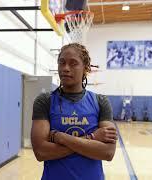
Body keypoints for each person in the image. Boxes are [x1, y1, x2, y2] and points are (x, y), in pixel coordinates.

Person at [31, 43, 117, 180]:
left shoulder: (100, 102)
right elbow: (41, 152)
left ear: (86, 69)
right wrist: (91, 138)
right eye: (62, 63)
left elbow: (108, 152)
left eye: (73, 63)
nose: (65, 68)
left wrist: (62, 138)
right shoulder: (45, 101)